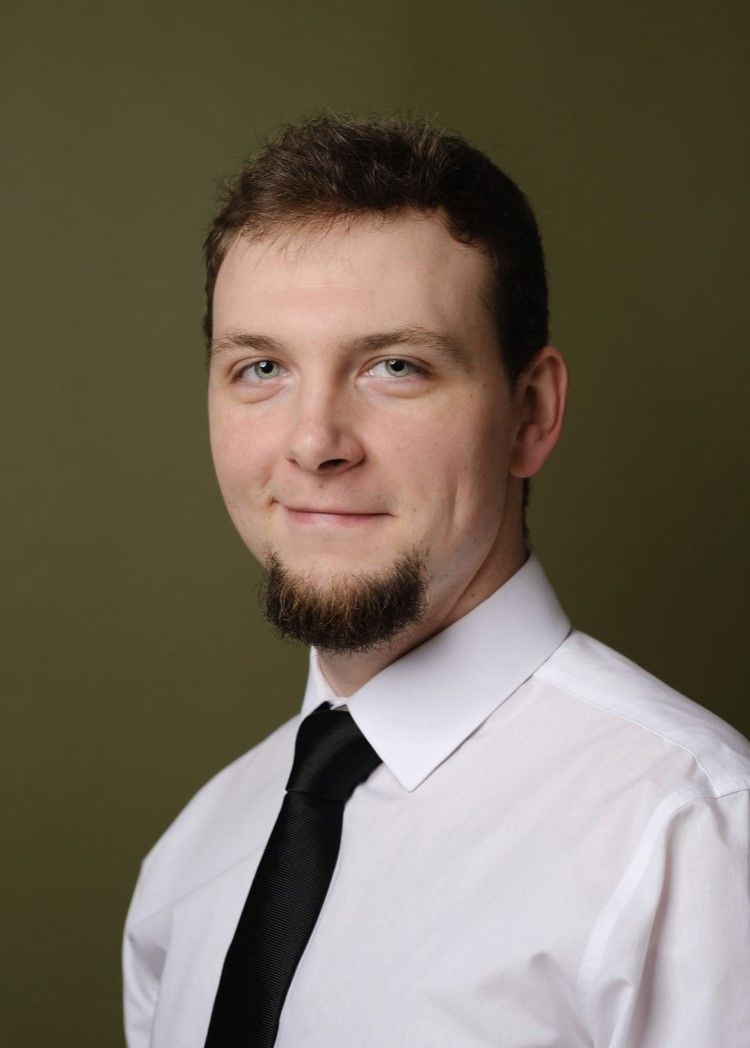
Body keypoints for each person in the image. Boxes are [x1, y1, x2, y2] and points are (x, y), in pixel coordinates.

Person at [122, 116, 750, 1048]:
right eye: (261, 368)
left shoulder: (692, 842)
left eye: (395, 367)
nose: (314, 442)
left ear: (530, 414)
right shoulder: (188, 867)